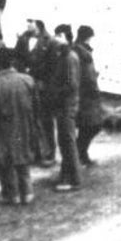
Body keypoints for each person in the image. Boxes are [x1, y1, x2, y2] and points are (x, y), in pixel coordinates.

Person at [0, 46, 37, 206]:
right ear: (13, 62)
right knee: (23, 158)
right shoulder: (28, 80)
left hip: (2, 128)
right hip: (24, 124)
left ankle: (9, 194)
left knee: (4, 161)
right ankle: (27, 192)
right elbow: (36, 105)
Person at [14, 19, 56, 166]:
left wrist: (34, 72)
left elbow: (52, 65)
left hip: (42, 86)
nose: (28, 24)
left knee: (45, 120)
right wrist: (22, 71)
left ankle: (49, 153)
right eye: (27, 21)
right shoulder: (23, 39)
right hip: (26, 85)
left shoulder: (49, 41)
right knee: (29, 119)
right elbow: (17, 58)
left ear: (39, 22)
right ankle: (35, 152)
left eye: (31, 21)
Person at [48, 24, 82, 191]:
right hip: (65, 105)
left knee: (68, 142)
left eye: (57, 36)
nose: (55, 39)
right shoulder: (66, 55)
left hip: (66, 105)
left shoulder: (69, 57)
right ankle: (66, 176)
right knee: (65, 141)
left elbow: (72, 84)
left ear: (64, 36)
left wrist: (54, 92)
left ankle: (74, 179)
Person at [73, 25, 103, 168]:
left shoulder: (80, 50)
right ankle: (80, 155)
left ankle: (82, 155)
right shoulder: (83, 52)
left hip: (86, 94)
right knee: (92, 126)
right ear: (88, 37)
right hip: (87, 95)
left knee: (89, 127)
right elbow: (87, 75)